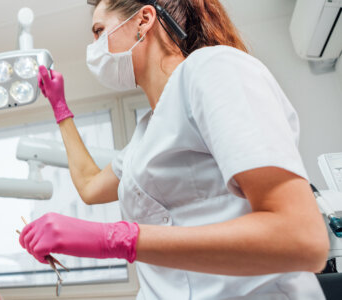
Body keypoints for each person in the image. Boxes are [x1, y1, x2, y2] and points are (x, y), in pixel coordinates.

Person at [19, 0, 329, 298]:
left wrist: (117, 239)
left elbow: (302, 238)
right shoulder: (145, 134)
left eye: (99, 31)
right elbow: (89, 186)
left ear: (143, 21)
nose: (94, 47)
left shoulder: (211, 69)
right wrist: (60, 108)